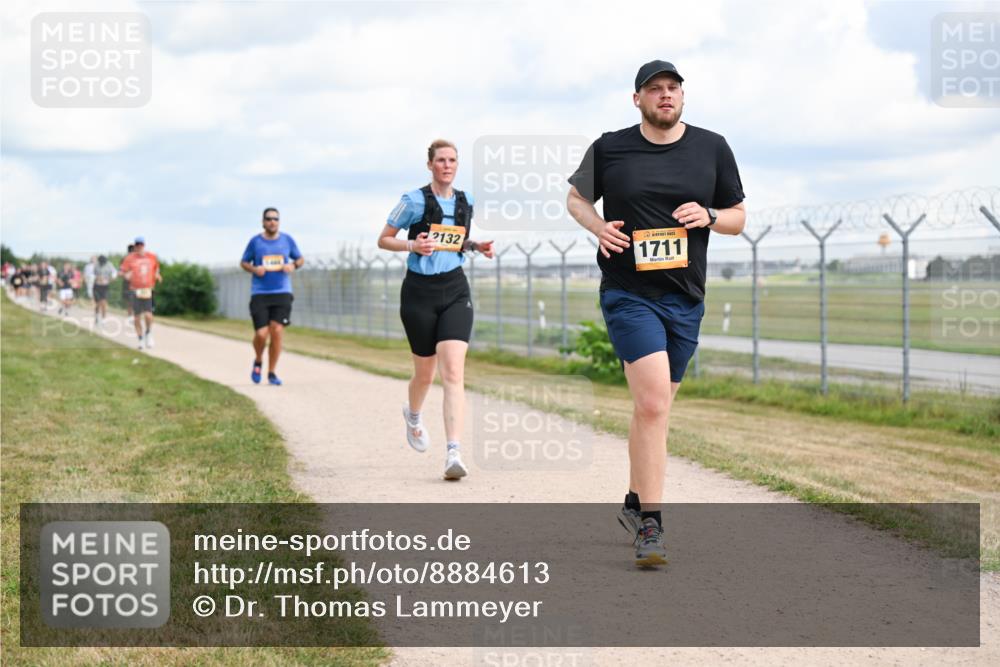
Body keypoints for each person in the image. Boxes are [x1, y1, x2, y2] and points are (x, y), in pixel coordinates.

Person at [567, 60, 746, 567]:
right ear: (637, 99)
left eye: (673, 89)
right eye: (654, 89)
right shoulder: (611, 146)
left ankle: (632, 500)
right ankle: (652, 525)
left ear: (682, 97)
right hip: (628, 292)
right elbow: (576, 199)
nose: (665, 96)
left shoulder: (712, 147)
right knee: (651, 406)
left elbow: (737, 218)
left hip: (685, 297)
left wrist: (709, 215)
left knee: (656, 407)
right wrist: (598, 226)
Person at [377, 139, 495, 481]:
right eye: (441, 160)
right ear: (430, 165)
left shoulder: (466, 200)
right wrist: (413, 244)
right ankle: (413, 415)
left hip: (455, 289)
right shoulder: (413, 201)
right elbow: (383, 239)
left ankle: (453, 452)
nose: (447, 165)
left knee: (454, 372)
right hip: (419, 292)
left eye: (452, 160)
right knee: (425, 374)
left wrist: (475, 245)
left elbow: (454, 239)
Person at [240, 207, 304, 386]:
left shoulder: (287, 240)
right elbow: (244, 262)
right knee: (261, 334)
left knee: (276, 330)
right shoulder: (255, 242)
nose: (272, 222)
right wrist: (254, 268)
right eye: (268, 219)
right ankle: (258, 360)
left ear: (279, 221)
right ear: (263, 222)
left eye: (275, 219)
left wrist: (293, 266)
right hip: (260, 293)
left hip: (282, 292)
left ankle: (272, 372)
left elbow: (300, 259)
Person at [120, 237, 162, 349]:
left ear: (144, 245)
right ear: (134, 246)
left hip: (147, 289)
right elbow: (122, 271)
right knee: (137, 317)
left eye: (141, 244)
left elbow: (156, 268)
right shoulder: (129, 258)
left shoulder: (151, 256)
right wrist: (125, 275)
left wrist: (157, 275)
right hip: (135, 290)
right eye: (137, 244)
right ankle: (140, 339)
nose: (139, 246)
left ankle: (148, 333)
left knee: (148, 315)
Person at [92, 255, 117, 325]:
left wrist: (112, 278)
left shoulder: (109, 265)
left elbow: (114, 273)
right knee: (97, 304)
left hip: (105, 286)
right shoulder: (96, 265)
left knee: (104, 303)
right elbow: (92, 274)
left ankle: (103, 319)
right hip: (97, 286)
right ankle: (97, 317)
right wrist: (97, 277)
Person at [121, 244, 135, 318]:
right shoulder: (125, 259)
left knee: (132, 300)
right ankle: (130, 316)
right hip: (128, 282)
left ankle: (132, 316)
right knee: (130, 300)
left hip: (136, 282)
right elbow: (122, 270)